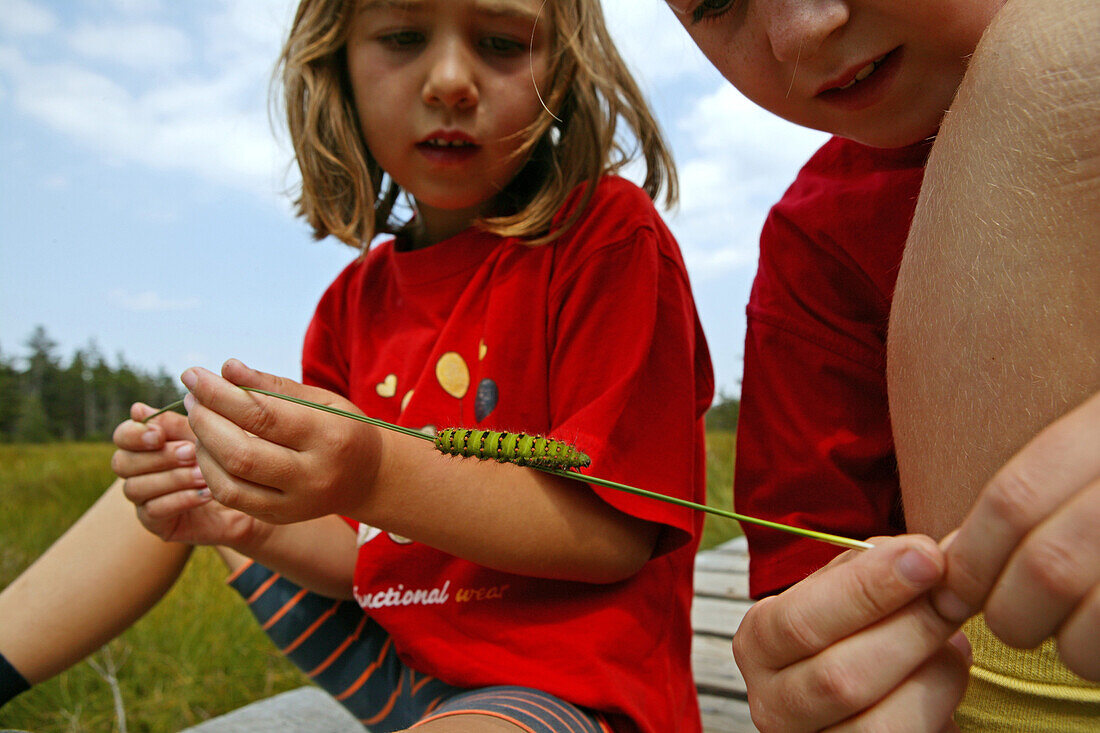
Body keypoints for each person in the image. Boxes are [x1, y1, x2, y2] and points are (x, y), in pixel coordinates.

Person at [0, 1, 714, 731]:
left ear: (563, 71)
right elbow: (355, 559)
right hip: (399, 660)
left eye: (501, 42)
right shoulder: (352, 302)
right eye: (403, 37)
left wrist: (378, 472)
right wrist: (242, 520)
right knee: (184, 451)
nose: (448, 81)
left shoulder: (609, 242)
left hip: (559, 691)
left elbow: (616, 535)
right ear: (337, 63)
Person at [666, 0, 1099, 729]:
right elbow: (804, 592)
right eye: (713, 3)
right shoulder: (813, 254)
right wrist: (813, 669)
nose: (800, 31)